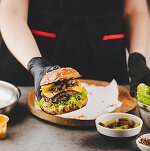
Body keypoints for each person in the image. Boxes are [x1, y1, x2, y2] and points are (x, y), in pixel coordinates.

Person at [0, 0, 150, 100]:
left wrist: (137, 58)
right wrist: (35, 64)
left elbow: (135, 10)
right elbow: (12, 11)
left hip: (105, 59)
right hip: (32, 55)